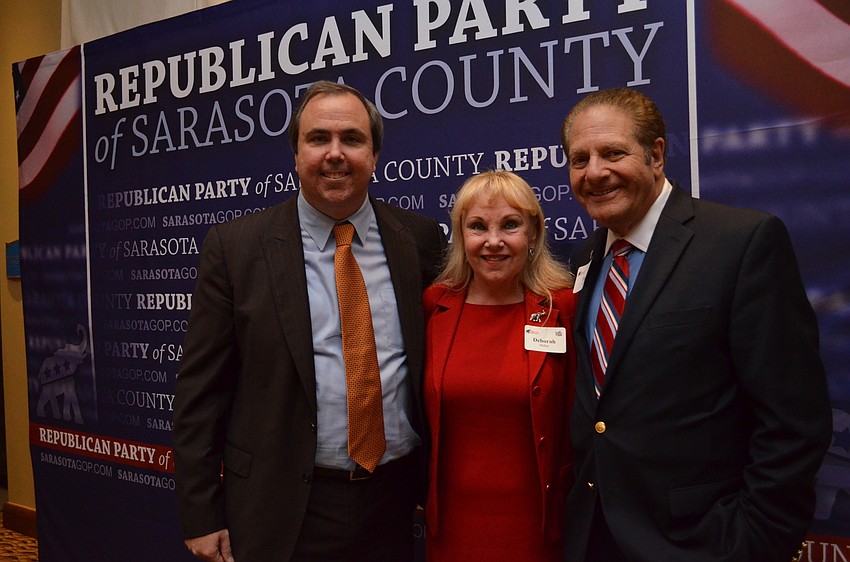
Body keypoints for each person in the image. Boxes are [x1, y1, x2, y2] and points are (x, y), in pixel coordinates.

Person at [172, 80, 446, 562]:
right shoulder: (236, 249)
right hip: (282, 505)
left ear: (375, 156)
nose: (335, 153)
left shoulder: (418, 240)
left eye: (352, 139)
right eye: (319, 138)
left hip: (394, 499)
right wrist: (201, 514)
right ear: (296, 155)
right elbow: (201, 393)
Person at [559, 87, 832, 562]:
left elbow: (794, 421)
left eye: (613, 153)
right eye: (579, 159)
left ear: (656, 155)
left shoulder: (740, 243)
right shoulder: (585, 258)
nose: (595, 172)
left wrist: (753, 540)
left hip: (703, 543)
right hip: (594, 538)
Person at [423, 170, 577, 561]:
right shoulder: (434, 306)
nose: (493, 241)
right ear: (461, 236)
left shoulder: (562, 308)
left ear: (533, 234)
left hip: (538, 525)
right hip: (451, 527)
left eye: (510, 225)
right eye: (478, 226)